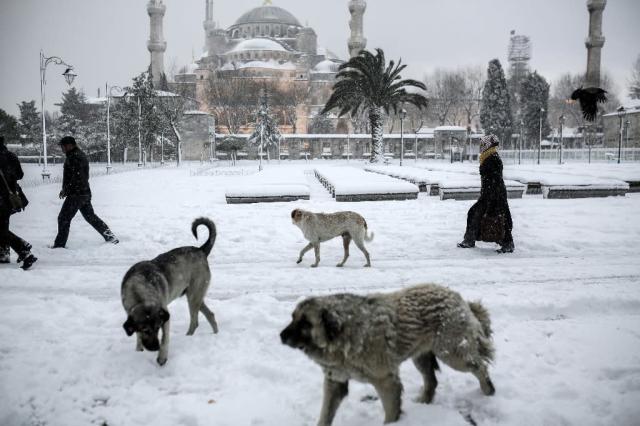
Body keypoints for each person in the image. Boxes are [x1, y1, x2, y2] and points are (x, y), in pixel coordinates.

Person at [52, 136, 119, 248]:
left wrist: (67, 189)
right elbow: (75, 177)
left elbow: (77, 177)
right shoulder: (75, 155)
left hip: (77, 194)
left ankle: (59, 245)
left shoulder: (76, 157)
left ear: (70, 145)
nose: (62, 148)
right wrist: (65, 189)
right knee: (90, 217)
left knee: (63, 218)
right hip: (83, 192)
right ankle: (110, 236)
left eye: (63, 146)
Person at [457, 134, 514, 253]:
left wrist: (491, 198)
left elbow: (494, 180)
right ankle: (470, 239)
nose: (481, 146)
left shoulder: (492, 158)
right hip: (490, 194)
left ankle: (507, 243)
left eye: (483, 144)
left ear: (488, 145)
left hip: (494, 195)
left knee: (499, 218)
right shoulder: (488, 157)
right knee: (480, 215)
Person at [0, 136, 37, 269]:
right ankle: (3, 253)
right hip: (10, 197)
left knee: (1, 229)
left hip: (1, 197)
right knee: (3, 226)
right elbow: (20, 175)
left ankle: (22, 248)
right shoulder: (11, 156)